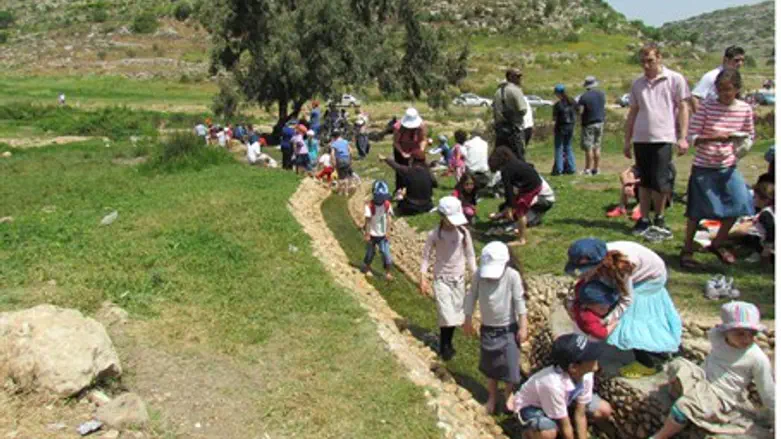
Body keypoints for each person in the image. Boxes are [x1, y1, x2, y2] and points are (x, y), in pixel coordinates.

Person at [649, 302, 774, 439]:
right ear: (726, 331)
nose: (747, 339)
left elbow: (768, 392)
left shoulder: (756, 358)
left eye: (752, 334)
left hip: (719, 395)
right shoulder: (719, 339)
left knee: (683, 406)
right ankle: (692, 397)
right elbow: (714, 333)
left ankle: (661, 436)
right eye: (740, 333)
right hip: (703, 378)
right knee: (678, 364)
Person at [564, 238, 682, 378]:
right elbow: (584, 281)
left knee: (633, 320)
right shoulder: (599, 259)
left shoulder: (622, 266)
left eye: (586, 270)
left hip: (649, 278)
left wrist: (608, 320)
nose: (583, 273)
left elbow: (627, 299)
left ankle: (649, 361)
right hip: (622, 275)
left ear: (599, 263)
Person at [679, 68, 755, 268]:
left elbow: (749, 135)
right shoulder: (706, 107)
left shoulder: (744, 109)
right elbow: (692, 136)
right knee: (696, 211)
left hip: (728, 165)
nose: (724, 94)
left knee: (740, 203)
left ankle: (718, 242)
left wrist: (741, 145)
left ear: (737, 89)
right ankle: (687, 249)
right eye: (720, 89)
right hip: (704, 165)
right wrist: (714, 137)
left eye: (728, 90)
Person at [624, 43, 690, 235]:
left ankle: (659, 218)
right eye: (643, 62)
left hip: (663, 136)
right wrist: (627, 140)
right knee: (644, 181)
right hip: (641, 137)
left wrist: (683, 136)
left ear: (659, 58)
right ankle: (644, 218)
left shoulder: (674, 79)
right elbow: (633, 112)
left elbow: (683, 107)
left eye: (650, 61)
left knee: (660, 181)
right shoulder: (637, 84)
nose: (646, 65)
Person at [507, 334, 613, 439]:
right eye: (589, 357)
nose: (595, 358)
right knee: (548, 433)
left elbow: (580, 414)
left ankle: (558, 418)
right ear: (573, 367)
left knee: (603, 410)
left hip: (561, 401)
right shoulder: (553, 385)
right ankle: (527, 432)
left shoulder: (586, 373)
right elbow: (564, 425)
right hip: (532, 407)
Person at [464, 241, 528, 414]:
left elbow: (519, 301)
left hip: (508, 328)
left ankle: (508, 393)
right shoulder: (478, 275)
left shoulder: (512, 276)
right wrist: (467, 317)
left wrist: (523, 325)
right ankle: (491, 397)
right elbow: (471, 296)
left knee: (510, 364)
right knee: (491, 366)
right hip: (489, 328)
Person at [420, 197, 477, 361]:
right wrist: (423, 277)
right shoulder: (435, 235)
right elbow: (426, 256)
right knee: (446, 314)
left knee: (454, 315)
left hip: (458, 279)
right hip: (441, 278)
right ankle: (445, 345)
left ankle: (447, 342)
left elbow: (470, 255)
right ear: (442, 216)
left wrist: (475, 274)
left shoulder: (463, 234)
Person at [489, 147, 543, 246]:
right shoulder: (514, 162)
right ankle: (513, 224)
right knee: (515, 205)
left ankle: (521, 240)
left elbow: (508, 191)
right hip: (532, 184)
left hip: (531, 187)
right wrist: (509, 206)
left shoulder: (506, 170)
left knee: (520, 212)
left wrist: (510, 207)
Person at [379, 150, 438, 216]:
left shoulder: (408, 171)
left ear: (412, 160)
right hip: (427, 205)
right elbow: (435, 184)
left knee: (400, 201)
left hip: (411, 207)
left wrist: (385, 159)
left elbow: (396, 166)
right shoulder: (428, 171)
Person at [691, 46, 746, 113]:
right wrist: (700, 116)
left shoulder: (736, 77)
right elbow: (695, 97)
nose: (740, 63)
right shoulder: (711, 76)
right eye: (736, 60)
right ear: (726, 59)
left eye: (742, 60)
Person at [361, 180, 394, 281]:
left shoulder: (387, 205)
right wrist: (367, 233)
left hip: (383, 235)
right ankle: (367, 267)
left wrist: (388, 231)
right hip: (372, 234)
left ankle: (388, 272)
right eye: (379, 196)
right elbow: (368, 220)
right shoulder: (370, 206)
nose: (381, 199)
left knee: (386, 254)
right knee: (370, 253)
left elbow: (389, 218)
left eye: (383, 197)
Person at [493, 68, 528, 160]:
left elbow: (494, 111)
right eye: (517, 77)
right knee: (518, 156)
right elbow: (523, 110)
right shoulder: (515, 90)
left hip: (500, 129)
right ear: (510, 77)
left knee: (502, 157)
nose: (519, 79)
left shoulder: (497, 92)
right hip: (514, 129)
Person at [392, 108, 428, 199]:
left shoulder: (421, 126)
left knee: (418, 170)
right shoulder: (398, 127)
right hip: (401, 149)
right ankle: (400, 189)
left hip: (415, 150)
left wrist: (420, 151)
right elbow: (396, 142)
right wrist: (402, 153)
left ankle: (417, 189)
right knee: (401, 170)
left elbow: (423, 139)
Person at [578, 76, 606, 176]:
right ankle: (597, 168)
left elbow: (581, 111)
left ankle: (587, 169)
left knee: (588, 147)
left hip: (589, 123)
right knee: (597, 146)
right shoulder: (602, 94)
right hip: (600, 121)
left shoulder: (584, 97)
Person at [551, 84, 577, 176]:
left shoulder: (558, 105)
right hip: (570, 127)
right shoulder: (572, 101)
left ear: (558, 93)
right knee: (568, 147)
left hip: (560, 128)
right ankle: (572, 167)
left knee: (559, 148)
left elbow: (554, 119)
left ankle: (559, 169)